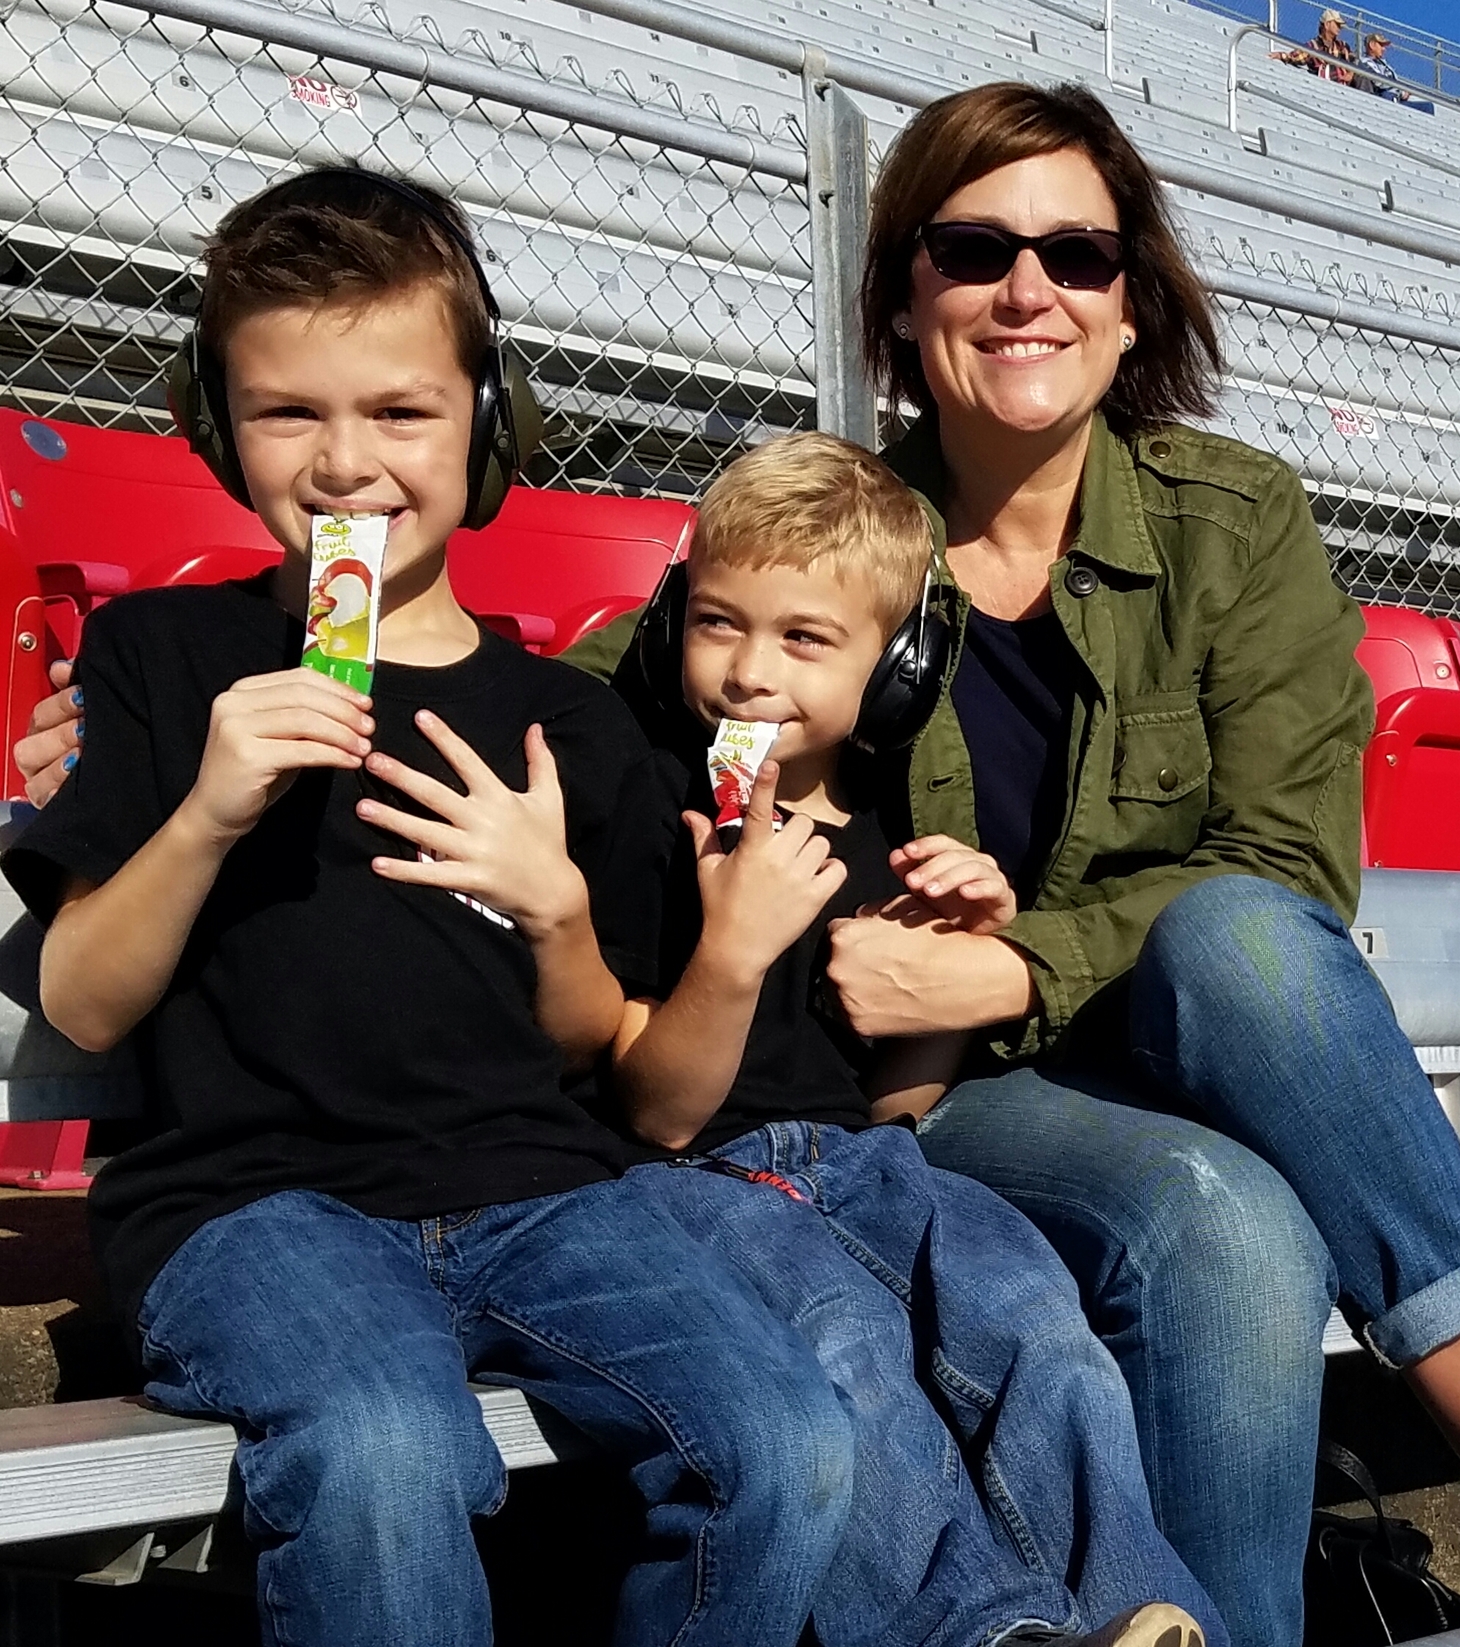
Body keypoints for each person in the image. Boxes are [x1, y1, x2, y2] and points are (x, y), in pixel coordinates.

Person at [17, 87, 1460, 1647]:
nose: (1029, 287)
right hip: (813, 1107)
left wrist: (1007, 959)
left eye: (1077, 250)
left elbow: (1291, 866)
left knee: (1238, 1026)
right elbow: (654, 736)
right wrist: (169, 775)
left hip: (1047, 1039)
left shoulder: (1232, 522)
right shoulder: (777, 557)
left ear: (1132, 292)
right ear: (902, 297)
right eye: (973, 247)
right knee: (1159, 1249)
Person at [0, 166, 861, 1647]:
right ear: (220, 429)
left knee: (792, 1439)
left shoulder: (570, 726)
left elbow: (626, 1068)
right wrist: (211, 804)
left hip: (546, 1193)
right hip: (251, 1207)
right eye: (288, 412)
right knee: (386, 1442)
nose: (345, 465)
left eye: (400, 411)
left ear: (487, 419)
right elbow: (80, 998)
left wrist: (556, 913)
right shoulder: (160, 655)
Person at [584, 429, 1218, 1647]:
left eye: (805, 639)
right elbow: (637, 1099)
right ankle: (980, 1631)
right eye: (720, 624)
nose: (749, 674)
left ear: (897, 670)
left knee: (1029, 1308)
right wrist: (732, 934)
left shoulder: (878, 832)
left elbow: (894, 1106)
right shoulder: (641, 801)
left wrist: (959, 944)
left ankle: (1139, 1608)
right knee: (849, 1345)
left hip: (865, 1164)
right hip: (686, 1180)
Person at [1276, 8, 1353, 84]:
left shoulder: (1342, 45)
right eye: (1337, 24)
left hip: (1345, 86)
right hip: (1326, 85)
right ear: (1327, 24)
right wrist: (1281, 55)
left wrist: (1351, 74)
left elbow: (1355, 62)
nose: (1339, 28)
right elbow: (1296, 57)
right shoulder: (1313, 46)